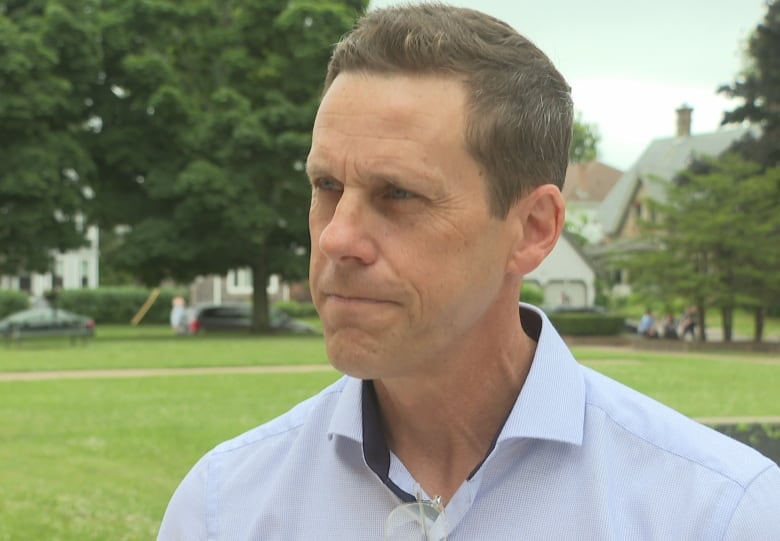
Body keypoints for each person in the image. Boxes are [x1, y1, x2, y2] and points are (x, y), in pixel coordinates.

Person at [158, 5, 780, 540]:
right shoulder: (224, 509)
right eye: (326, 185)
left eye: (398, 194)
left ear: (533, 229)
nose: (338, 237)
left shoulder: (716, 513)